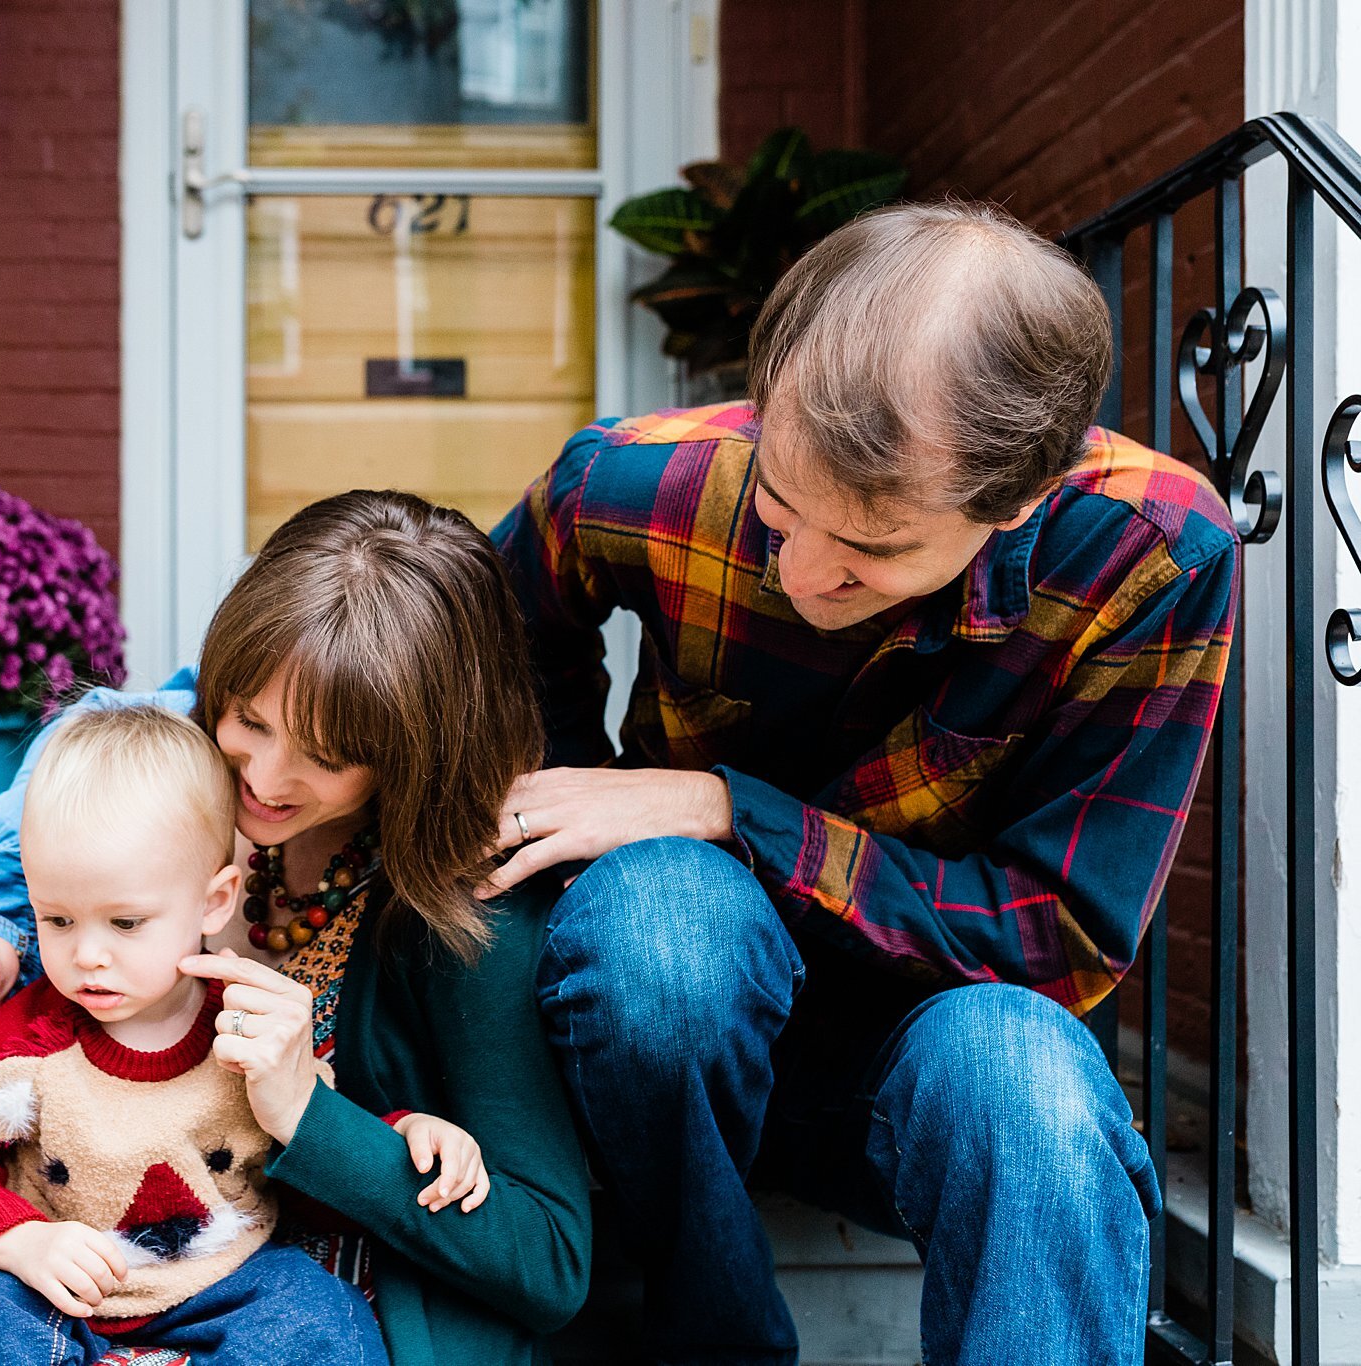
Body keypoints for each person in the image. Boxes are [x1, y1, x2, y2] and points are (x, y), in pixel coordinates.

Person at [488, 200, 1237, 1364]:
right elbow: (487, 631)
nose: (800, 569)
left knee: (1027, 1083)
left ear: (1019, 496)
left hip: (927, 1049)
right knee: (654, 929)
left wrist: (727, 810)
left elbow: (1057, 937)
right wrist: (566, 786)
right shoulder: (637, 479)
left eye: (873, 547)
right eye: (782, 509)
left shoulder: (1148, 558)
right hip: (658, 1033)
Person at [0, 490, 592, 1366]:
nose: (263, 779)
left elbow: (548, 1260)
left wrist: (312, 1119)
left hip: (269, 1281)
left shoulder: (460, 902)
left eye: (324, 756)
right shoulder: (112, 793)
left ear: (410, 753)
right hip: (59, 1268)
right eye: (247, 718)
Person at [0, 704, 479, 1365]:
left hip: (227, 1278)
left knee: (323, 1322)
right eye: (56, 920)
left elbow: (317, 1135)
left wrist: (403, 1136)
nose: (87, 955)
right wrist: (16, 1242)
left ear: (213, 901)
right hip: (57, 1283)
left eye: (124, 924)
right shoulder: (25, 1033)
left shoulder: (247, 1025)